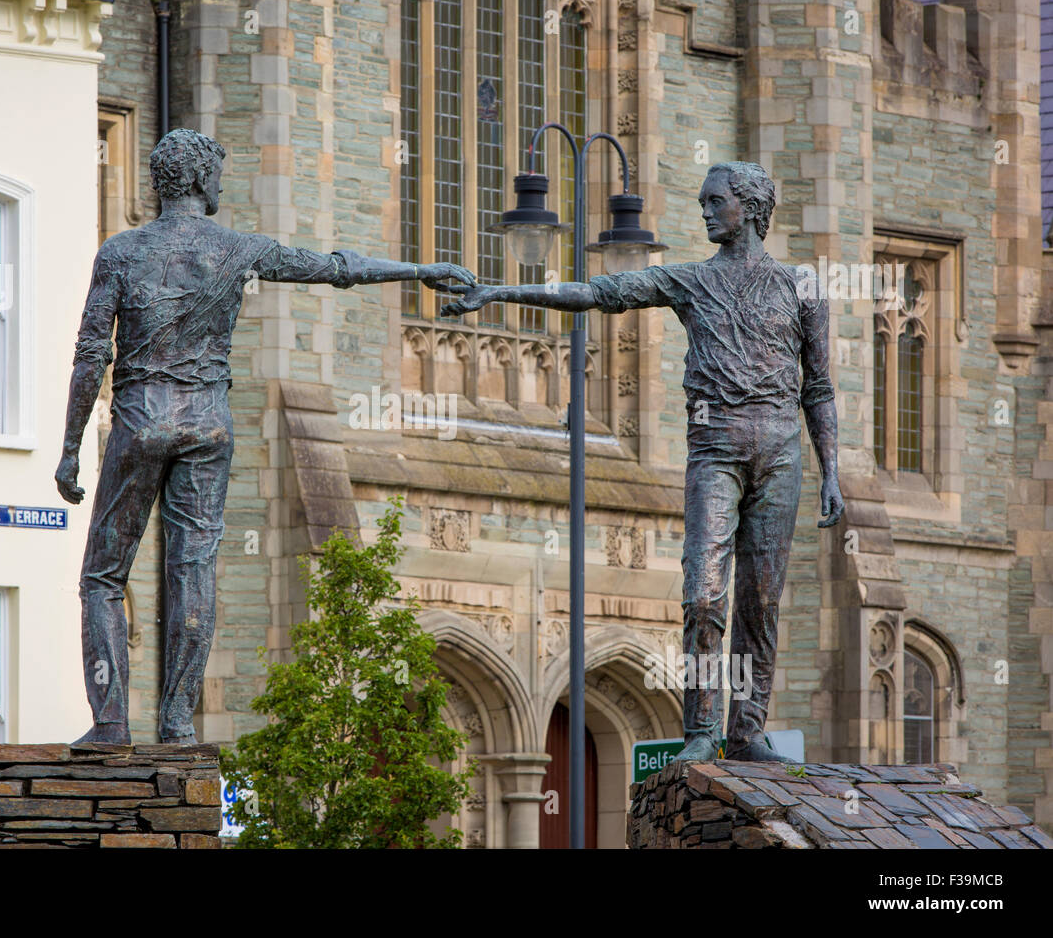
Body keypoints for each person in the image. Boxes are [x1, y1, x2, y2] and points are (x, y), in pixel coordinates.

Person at [57, 128, 474, 745]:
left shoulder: (120, 252)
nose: (223, 185)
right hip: (207, 423)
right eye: (218, 175)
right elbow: (335, 270)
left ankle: (111, 723)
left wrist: (70, 449)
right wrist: (420, 269)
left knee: (103, 576)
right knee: (193, 570)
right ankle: (176, 725)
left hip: (142, 419)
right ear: (199, 180)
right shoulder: (239, 249)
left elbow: (92, 354)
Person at [439, 162, 843, 762]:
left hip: (782, 452)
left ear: (751, 207)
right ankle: (702, 732)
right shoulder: (688, 281)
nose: (704, 211)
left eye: (715, 201)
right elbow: (598, 294)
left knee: (761, 599)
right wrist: (498, 292)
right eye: (702, 201)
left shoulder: (801, 286)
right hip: (716, 448)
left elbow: (819, 387)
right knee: (704, 595)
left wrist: (832, 470)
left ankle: (748, 729)